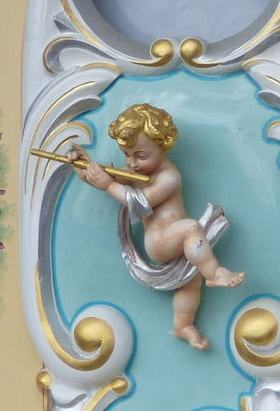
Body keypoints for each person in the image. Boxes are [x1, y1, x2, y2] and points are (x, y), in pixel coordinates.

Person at [72, 104, 244, 350]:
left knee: (191, 284)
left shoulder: (169, 177)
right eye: (126, 154)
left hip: (181, 244)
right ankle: (214, 273)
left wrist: (108, 184)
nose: (132, 163)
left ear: (163, 145)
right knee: (191, 227)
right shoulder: (136, 173)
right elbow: (106, 179)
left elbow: (141, 202)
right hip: (160, 241)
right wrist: (85, 168)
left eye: (141, 156)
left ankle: (183, 325)